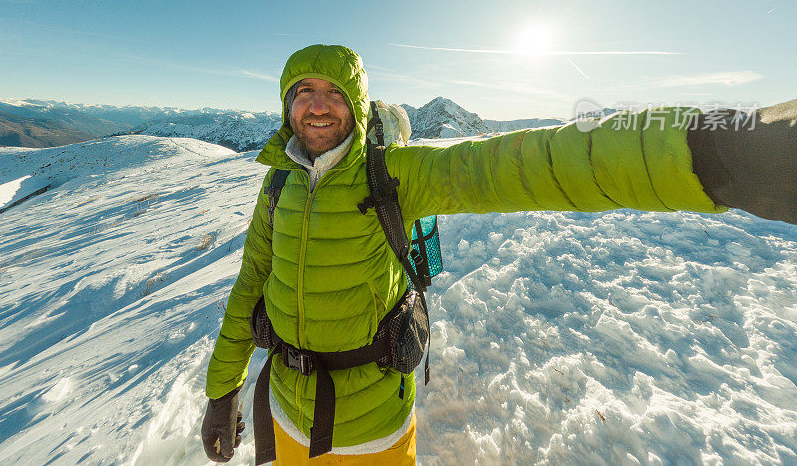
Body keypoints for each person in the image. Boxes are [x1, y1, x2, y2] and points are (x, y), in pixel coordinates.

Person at [201, 43, 796, 464]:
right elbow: (251, 282)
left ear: (356, 107)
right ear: (286, 106)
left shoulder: (397, 174)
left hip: (373, 428)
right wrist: (221, 392)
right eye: (303, 91)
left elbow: (529, 163)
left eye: (334, 92)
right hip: (283, 411)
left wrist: (713, 155)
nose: (318, 105)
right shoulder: (276, 184)